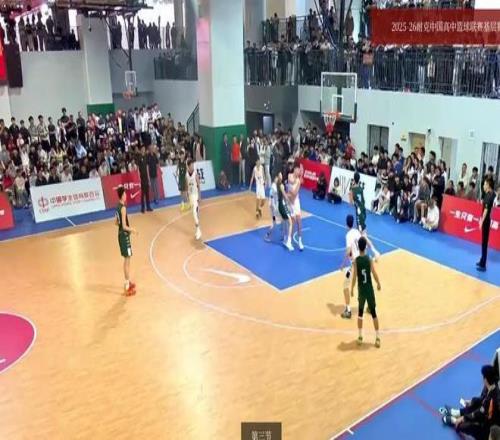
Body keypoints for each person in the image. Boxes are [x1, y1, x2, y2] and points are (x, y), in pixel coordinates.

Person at [441, 365, 500, 439]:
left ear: (485, 379)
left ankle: (455, 421)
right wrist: (472, 401)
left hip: (489, 429)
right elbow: (482, 399)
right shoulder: (493, 387)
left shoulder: (492, 399)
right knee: (475, 402)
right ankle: (457, 413)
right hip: (486, 416)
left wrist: (463, 418)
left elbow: (478, 413)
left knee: (467, 426)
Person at [351, 236, 382, 347]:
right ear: (365, 247)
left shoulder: (356, 261)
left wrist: (352, 289)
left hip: (361, 291)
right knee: (373, 314)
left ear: (358, 247)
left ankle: (360, 337)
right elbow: (374, 273)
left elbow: (354, 277)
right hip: (369, 289)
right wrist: (378, 283)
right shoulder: (369, 259)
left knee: (360, 314)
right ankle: (377, 338)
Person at [350, 172, 380, 259]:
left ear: (354, 179)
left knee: (363, 236)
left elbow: (351, 203)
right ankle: (367, 250)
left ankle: (374, 252)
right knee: (363, 233)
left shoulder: (352, 189)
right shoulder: (360, 188)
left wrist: (350, 195)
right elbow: (363, 201)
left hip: (359, 213)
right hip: (363, 211)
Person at [115, 186, 137, 296]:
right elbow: (124, 226)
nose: (126, 195)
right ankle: (127, 285)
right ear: (122, 195)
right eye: (125, 194)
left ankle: (128, 282)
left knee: (127, 259)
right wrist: (133, 230)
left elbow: (116, 222)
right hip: (124, 236)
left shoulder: (117, 207)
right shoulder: (123, 208)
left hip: (120, 236)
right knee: (127, 260)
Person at [339, 215, 362, 319]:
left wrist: (343, 264)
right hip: (362, 260)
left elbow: (348, 251)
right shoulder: (357, 232)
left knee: (345, 286)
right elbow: (362, 244)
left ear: (346, 223)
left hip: (354, 264)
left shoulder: (348, 235)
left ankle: (348, 310)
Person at [477, 177, 495, 272]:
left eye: (484, 184)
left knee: (484, 242)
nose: (483, 186)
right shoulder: (491, 194)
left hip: (486, 221)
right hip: (487, 220)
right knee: (484, 242)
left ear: (488, 185)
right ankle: (482, 260)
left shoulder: (489, 196)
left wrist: (481, 221)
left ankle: (483, 264)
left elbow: (486, 210)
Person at [288, 163, 304, 251]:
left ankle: (300, 241)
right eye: (298, 170)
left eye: (299, 171)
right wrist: (298, 181)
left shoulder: (298, 180)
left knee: (299, 221)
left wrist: (299, 181)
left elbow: (294, 193)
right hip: (290, 202)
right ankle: (289, 240)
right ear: (294, 169)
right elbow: (291, 181)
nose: (299, 172)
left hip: (296, 202)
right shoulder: (290, 176)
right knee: (292, 222)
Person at [186, 159, 202, 240]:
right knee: (195, 214)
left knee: (194, 213)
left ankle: (198, 231)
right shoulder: (186, 175)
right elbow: (187, 186)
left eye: (193, 165)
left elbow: (198, 185)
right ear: (188, 166)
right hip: (190, 196)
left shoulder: (195, 174)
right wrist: (187, 196)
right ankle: (197, 230)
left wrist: (200, 196)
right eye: (191, 165)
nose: (193, 166)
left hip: (195, 195)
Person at [137, 145, 152, 213]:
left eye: (144, 149)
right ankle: (142, 208)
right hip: (142, 177)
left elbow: (147, 168)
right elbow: (138, 169)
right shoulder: (139, 157)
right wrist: (139, 178)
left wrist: (148, 178)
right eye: (142, 149)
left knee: (147, 193)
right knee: (143, 194)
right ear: (140, 150)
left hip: (146, 177)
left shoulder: (146, 157)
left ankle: (148, 207)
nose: (143, 150)